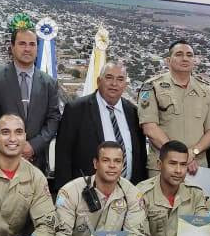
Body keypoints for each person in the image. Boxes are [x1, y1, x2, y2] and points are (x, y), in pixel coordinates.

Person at [55, 61, 147, 189]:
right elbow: (63, 155)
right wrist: (64, 195)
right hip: (87, 193)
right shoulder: (76, 110)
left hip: (127, 193)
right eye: (109, 78)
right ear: (99, 81)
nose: (114, 84)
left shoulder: (134, 112)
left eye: (120, 79)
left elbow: (141, 157)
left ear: (125, 85)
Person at [0, 27, 62, 172]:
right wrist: (12, 144)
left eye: (32, 44)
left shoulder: (49, 82)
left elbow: (54, 119)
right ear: (12, 47)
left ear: (37, 49)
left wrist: (33, 145)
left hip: (36, 161)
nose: (27, 49)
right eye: (22, 44)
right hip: (2, 159)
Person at [137, 40, 210, 176]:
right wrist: (180, 156)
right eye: (179, 54)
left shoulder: (207, 90)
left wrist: (193, 152)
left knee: (196, 198)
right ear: (168, 60)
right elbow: (150, 128)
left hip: (196, 168)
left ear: (194, 60)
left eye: (189, 55)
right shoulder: (152, 87)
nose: (185, 58)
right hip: (162, 166)